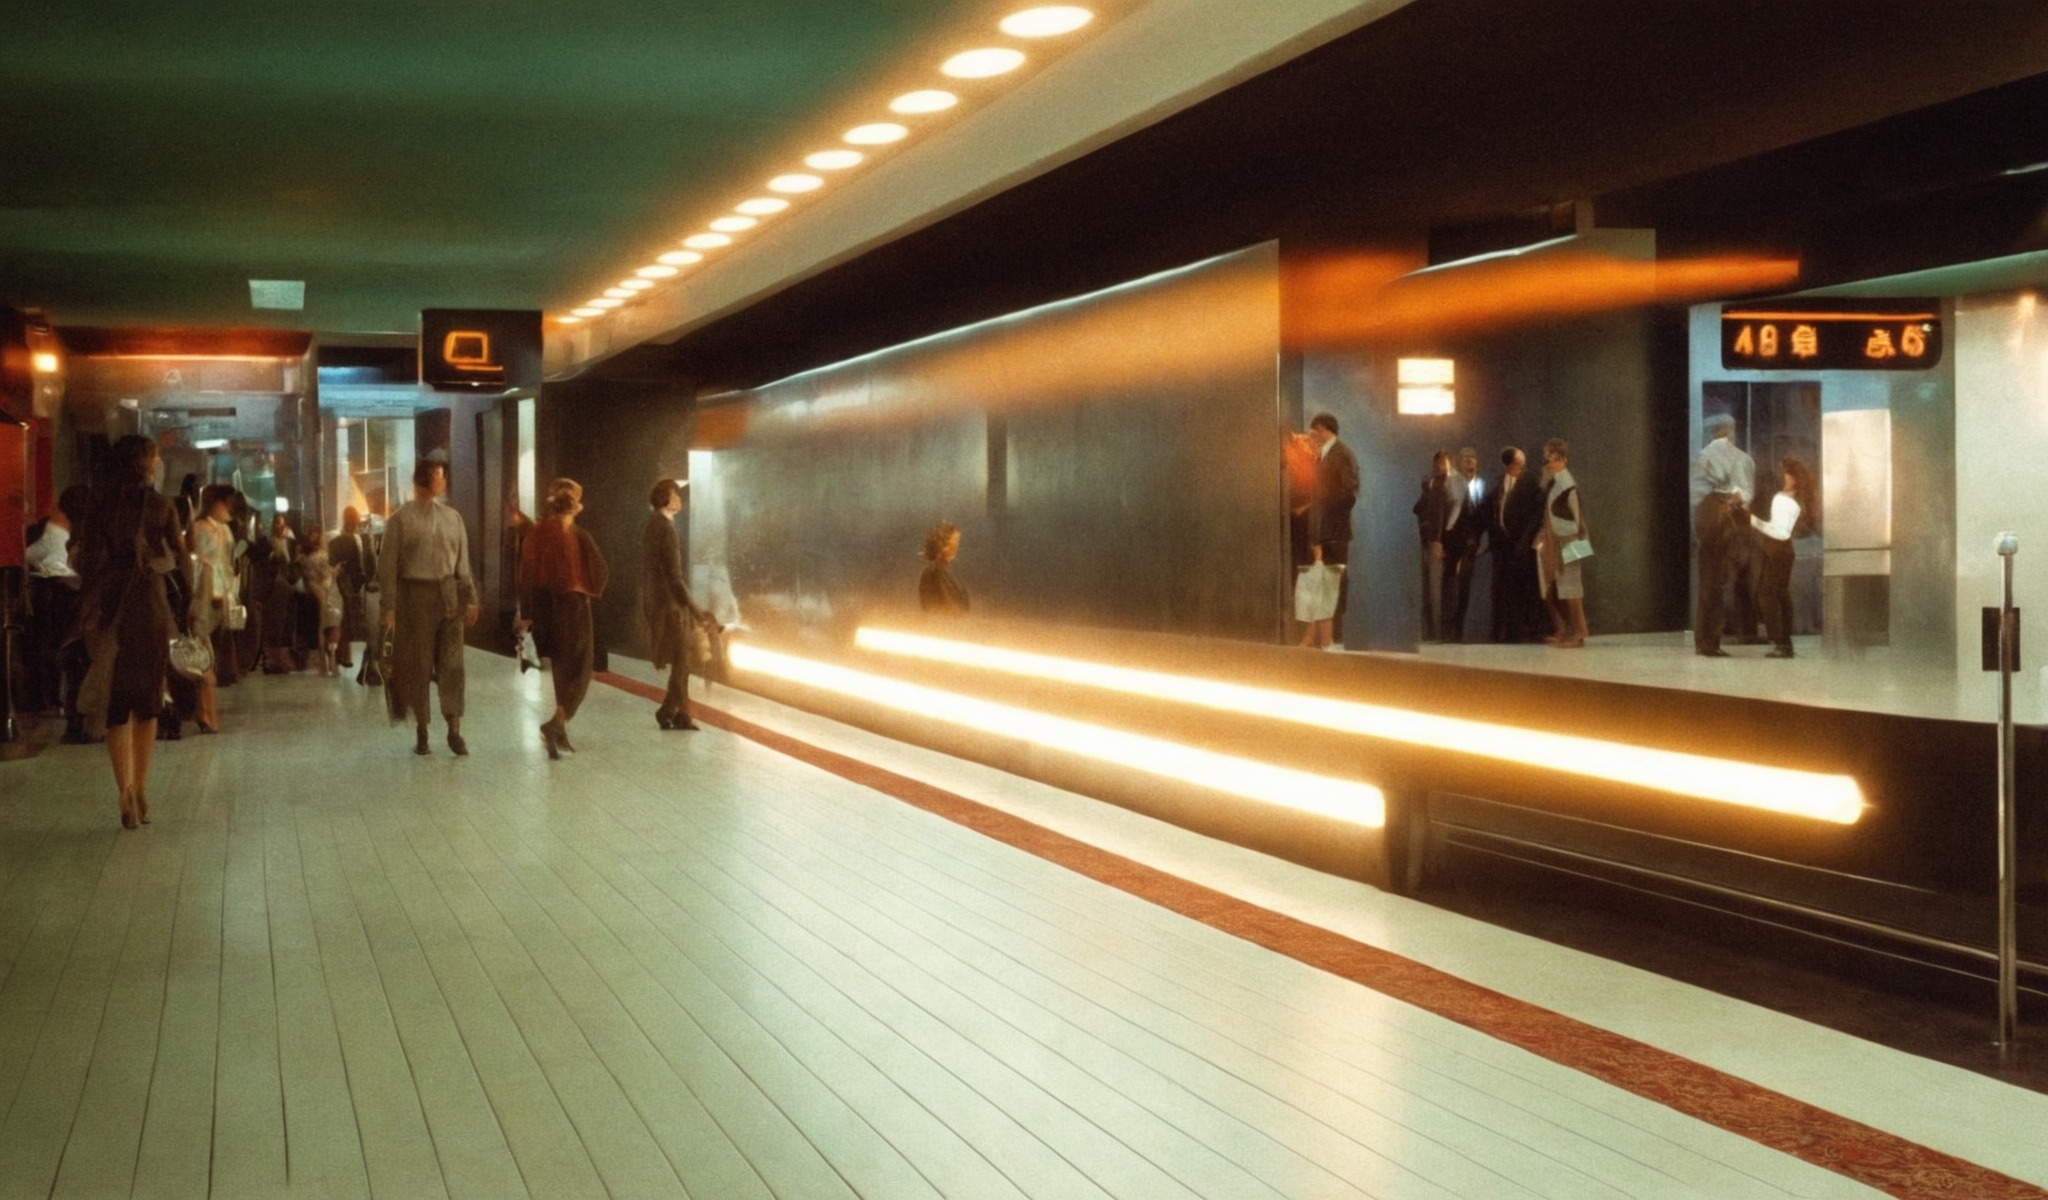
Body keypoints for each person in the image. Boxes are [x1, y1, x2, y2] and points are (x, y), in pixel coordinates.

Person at [73, 435, 185, 828]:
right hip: (150, 607)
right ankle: (141, 786)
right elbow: (181, 559)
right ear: (146, 464)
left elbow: (84, 558)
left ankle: (122, 790)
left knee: (117, 704)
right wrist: (184, 614)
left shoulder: (98, 507)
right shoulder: (160, 505)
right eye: (154, 458)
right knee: (148, 701)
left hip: (111, 610)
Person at [380, 458, 480, 756]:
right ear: (424, 478)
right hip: (415, 597)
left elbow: (463, 562)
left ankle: (454, 729)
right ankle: (422, 729)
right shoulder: (401, 519)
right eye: (438, 475)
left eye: (443, 475)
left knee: (453, 665)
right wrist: (390, 607)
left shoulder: (453, 518)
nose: (443, 480)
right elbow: (387, 567)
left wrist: (471, 597)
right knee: (419, 665)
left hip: (449, 594)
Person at [518, 479, 608, 758]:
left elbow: (526, 574)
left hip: (546, 608)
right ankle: (557, 721)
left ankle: (560, 730)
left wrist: (527, 614)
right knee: (581, 666)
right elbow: (601, 569)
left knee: (561, 667)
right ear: (576, 506)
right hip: (573, 606)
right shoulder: (576, 534)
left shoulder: (538, 533)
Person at [642, 478, 709, 731]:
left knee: (683, 662)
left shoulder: (654, 525)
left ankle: (671, 711)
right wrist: (695, 610)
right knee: (682, 661)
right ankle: (680, 714)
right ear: (666, 500)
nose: (680, 499)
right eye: (676, 495)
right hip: (671, 606)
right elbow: (675, 577)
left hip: (661, 603)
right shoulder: (666, 529)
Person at [1691, 411, 1756, 657]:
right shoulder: (1740, 458)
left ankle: (1702, 640)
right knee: (1718, 581)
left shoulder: (1702, 456)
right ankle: (1712, 642)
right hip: (1726, 514)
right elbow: (1744, 494)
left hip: (1704, 515)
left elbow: (1696, 492)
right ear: (1730, 430)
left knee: (1706, 580)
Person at [1750, 457, 1817, 659]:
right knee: (1780, 596)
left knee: (1767, 594)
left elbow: (1779, 531)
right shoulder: (1796, 499)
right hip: (1783, 551)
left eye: (1785, 471)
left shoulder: (1783, 499)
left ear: (1792, 477)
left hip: (1777, 549)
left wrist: (1751, 521)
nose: (1781, 474)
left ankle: (1780, 642)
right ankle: (1784, 643)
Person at [187, 484, 238, 732]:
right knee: (204, 656)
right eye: (224, 502)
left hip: (217, 598)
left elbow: (227, 565)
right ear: (214, 503)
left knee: (206, 655)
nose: (228, 508)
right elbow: (198, 566)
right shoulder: (200, 530)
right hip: (202, 597)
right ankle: (208, 715)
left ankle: (203, 712)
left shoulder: (223, 531)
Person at [1306, 412, 1359, 650]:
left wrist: (1329, 527)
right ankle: (1323, 640)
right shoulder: (1324, 456)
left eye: (1313, 431)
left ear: (1324, 429)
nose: (1311, 437)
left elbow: (1349, 493)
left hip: (1334, 534)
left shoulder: (1341, 454)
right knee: (1325, 588)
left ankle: (1332, 639)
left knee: (1334, 587)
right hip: (1326, 534)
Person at [1534, 437, 1590, 648]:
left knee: (1572, 589)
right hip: (1559, 540)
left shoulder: (1566, 483)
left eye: (1555, 458)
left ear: (1563, 459)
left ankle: (1578, 634)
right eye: (1549, 457)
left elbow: (1577, 516)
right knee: (1561, 588)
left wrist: (1577, 539)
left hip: (1568, 540)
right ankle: (1568, 631)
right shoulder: (1556, 482)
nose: (1550, 462)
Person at [1488, 446, 1546, 643]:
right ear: (1510, 465)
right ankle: (1507, 631)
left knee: (1526, 588)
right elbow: (1496, 510)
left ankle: (1528, 630)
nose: (1522, 468)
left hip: (1521, 545)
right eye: (1518, 464)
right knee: (1505, 590)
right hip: (1503, 546)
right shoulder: (1500, 484)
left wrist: (1526, 539)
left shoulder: (1530, 483)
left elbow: (1537, 513)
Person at [1440, 446, 1486, 642]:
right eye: (1465, 458)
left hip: (1471, 542)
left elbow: (1484, 516)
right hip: (1451, 540)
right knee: (1448, 583)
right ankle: (1447, 630)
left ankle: (1458, 629)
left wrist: (1481, 541)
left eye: (1473, 458)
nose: (1469, 461)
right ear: (1458, 462)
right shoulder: (1450, 484)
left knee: (1464, 585)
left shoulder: (1481, 486)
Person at [1411, 449, 1452, 643]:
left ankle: (1438, 633)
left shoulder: (1450, 486)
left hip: (1437, 543)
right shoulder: (1430, 485)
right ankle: (1429, 633)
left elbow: (1444, 516)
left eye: (1443, 463)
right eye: (1437, 464)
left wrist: (1439, 541)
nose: (1439, 467)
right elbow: (1418, 508)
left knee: (1436, 592)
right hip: (1426, 541)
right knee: (1427, 591)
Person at [328, 507, 372, 669]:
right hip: (350, 584)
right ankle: (342, 655)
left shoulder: (342, 539)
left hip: (347, 583)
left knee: (345, 620)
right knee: (347, 619)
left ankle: (342, 654)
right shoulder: (352, 539)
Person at [298, 525, 341, 675]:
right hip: (321, 593)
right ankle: (330, 659)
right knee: (326, 626)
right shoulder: (317, 556)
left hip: (320, 593)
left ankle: (327, 660)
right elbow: (324, 575)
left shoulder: (306, 557)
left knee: (324, 627)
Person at [919, 522, 969, 615]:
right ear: (944, 545)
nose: (957, 546)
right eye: (955, 541)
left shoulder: (937, 569)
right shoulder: (937, 571)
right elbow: (950, 605)